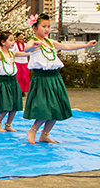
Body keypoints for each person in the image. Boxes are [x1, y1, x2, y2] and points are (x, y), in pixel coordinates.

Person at [23, 13, 97, 144]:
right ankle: (33, 130)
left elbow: (67, 46)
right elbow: (27, 48)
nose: (46, 29)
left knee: (56, 107)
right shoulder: (33, 42)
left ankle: (44, 134)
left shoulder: (50, 43)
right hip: (42, 79)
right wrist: (33, 45)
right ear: (35, 28)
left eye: (48, 26)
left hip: (55, 78)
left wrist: (86, 45)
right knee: (45, 108)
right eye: (43, 26)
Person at [0, 31, 36, 133]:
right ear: (3, 42)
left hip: (13, 81)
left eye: (13, 40)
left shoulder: (13, 53)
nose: (13, 42)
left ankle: (8, 124)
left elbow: (26, 53)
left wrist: (35, 49)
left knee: (14, 105)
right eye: (10, 40)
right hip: (3, 82)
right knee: (6, 105)